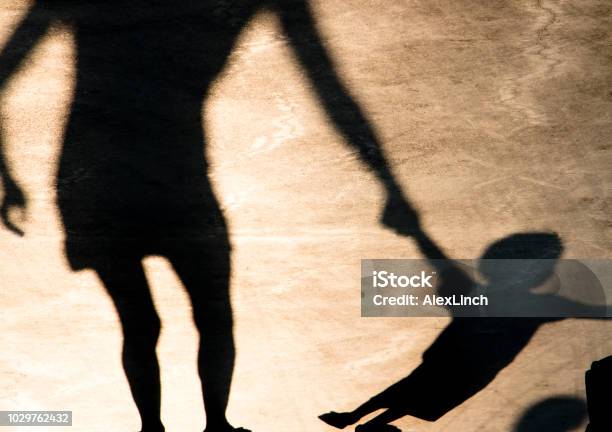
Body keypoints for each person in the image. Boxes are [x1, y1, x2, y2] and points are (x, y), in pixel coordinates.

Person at [0, 1, 419, 431]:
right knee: (211, 316)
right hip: (172, 176)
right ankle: (213, 424)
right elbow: (328, 87)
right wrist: (387, 183)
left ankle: (157, 427)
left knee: (143, 322)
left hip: (98, 179)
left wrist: (8, 178)